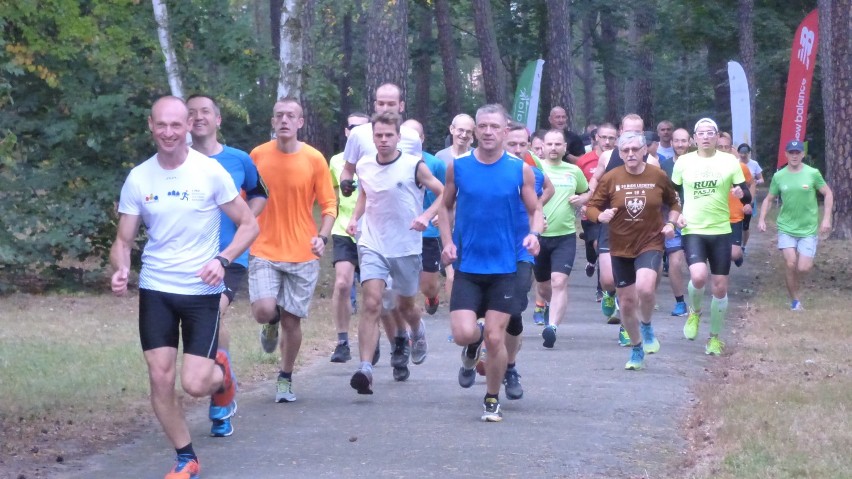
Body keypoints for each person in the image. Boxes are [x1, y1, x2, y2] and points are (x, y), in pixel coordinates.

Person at [110, 96, 259, 478]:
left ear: (188, 127)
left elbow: (249, 225)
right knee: (160, 375)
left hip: (201, 291)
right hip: (157, 288)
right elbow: (124, 240)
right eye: (162, 125)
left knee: (194, 384)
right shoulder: (139, 177)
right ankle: (185, 456)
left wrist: (222, 260)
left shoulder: (209, 172)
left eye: (176, 125)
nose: (169, 132)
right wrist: (122, 268)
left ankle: (221, 374)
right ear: (151, 125)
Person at [443, 104, 541, 422]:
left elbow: (534, 209)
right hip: (468, 266)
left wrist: (534, 234)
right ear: (475, 131)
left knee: (496, 337)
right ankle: (472, 348)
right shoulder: (458, 167)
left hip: (505, 267)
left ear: (504, 131)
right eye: (481, 126)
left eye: (493, 127)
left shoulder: (519, 169)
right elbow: (443, 207)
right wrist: (446, 242)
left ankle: (491, 398)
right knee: (462, 333)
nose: (487, 132)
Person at [347, 112, 449, 394]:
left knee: (404, 306)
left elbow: (443, 192)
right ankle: (365, 369)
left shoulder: (413, 165)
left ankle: (416, 330)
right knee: (372, 302)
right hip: (372, 242)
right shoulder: (365, 165)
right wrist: (356, 217)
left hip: (405, 245)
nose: (382, 140)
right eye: (378, 135)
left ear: (398, 138)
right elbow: (366, 193)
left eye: (388, 135)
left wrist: (427, 216)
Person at [187, 94, 268, 437]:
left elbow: (259, 192)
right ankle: (222, 375)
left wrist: (246, 224)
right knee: (196, 325)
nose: (199, 118)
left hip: (228, 256)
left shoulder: (238, 160)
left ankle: (222, 393)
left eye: (205, 112)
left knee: (213, 311)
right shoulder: (176, 161)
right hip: (187, 259)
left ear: (218, 120)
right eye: (191, 113)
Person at [250, 97, 337, 402]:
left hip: (303, 251)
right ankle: (269, 323)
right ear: (273, 122)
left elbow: (329, 205)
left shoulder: (314, 159)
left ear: (300, 123)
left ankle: (285, 377)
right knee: (263, 310)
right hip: (263, 246)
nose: (284, 120)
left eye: (291, 116)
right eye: (279, 116)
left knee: (292, 320)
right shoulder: (258, 155)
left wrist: (323, 238)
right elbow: (243, 196)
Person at [586, 131, 681, 369]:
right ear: (620, 153)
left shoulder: (657, 175)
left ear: (644, 151)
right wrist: (601, 215)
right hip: (620, 245)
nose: (630, 154)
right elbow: (591, 208)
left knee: (645, 288)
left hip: (650, 241)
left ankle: (647, 325)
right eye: (625, 151)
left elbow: (674, 203)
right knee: (627, 303)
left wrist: (671, 223)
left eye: (634, 150)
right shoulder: (611, 178)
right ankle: (637, 348)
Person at [672, 118, 751, 356]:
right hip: (693, 228)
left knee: (719, 287)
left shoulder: (729, 161)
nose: (705, 137)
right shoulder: (684, 162)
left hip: (721, 230)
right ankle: (694, 312)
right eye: (701, 133)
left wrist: (741, 193)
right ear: (694, 139)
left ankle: (715, 338)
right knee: (698, 276)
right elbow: (672, 194)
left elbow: (746, 195)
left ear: (717, 137)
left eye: (710, 133)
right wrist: (677, 216)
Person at [589, 114, 660, 327]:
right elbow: (595, 178)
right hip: (612, 225)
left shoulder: (652, 161)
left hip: (640, 229)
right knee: (608, 280)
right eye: (628, 132)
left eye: (637, 132)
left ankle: (626, 327)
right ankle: (609, 293)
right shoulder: (608, 156)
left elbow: (661, 192)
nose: (632, 137)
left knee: (633, 286)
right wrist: (592, 194)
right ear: (620, 131)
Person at [758, 140, 833, 311]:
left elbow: (827, 193)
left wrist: (826, 218)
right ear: (786, 154)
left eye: (797, 152)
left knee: (803, 268)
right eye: (791, 152)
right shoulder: (779, 176)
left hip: (808, 228)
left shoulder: (813, 173)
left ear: (802, 154)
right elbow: (769, 199)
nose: (794, 155)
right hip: (786, 228)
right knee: (791, 263)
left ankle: (796, 286)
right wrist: (762, 218)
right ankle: (795, 300)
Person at [534, 129, 590, 348]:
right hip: (538, 235)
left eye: (558, 144)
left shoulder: (573, 170)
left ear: (565, 147)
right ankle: (549, 306)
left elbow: (587, 192)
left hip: (564, 235)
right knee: (544, 286)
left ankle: (552, 327)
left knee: (559, 281)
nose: (554, 148)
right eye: (550, 144)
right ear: (542, 146)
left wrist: (581, 199)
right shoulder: (534, 169)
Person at [328, 112, 370, 363]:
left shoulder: (376, 159)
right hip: (344, 228)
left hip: (372, 230)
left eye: (362, 128)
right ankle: (342, 341)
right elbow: (331, 195)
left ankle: (371, 335)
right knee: (343, 284)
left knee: (375, 291)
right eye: (352, 127)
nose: (356, 132)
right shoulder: (335, 161)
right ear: (346, 131)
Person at [339, 83, 423, 193]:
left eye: (391, 104)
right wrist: (345, 183)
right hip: (369, 206)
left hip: (402, 207)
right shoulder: (358, 134)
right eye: (381, 103)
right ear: (375, 105)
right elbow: (348, 170)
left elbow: (420, 174)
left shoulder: (412, 137)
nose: (385, 108)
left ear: (401, 106)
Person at [402, 119, 447, 316]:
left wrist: (436, 215)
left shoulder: (435, 164)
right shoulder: (391, 162)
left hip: (428, 232)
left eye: (415, 135)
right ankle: (407, 323)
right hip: (401, 232)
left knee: (427, 285)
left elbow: (447, 194)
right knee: (404, 284)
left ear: (422, 139)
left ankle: (431, 296)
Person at [576, 123, 618, 300]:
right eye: (604, 137)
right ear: (596, 138)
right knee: (595, 244)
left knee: (608, 249)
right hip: (592, 210)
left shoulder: (621, 157)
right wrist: (583, 202)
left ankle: (604, 287)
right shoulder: (584, 160)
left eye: (611, 138)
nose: (607, 141)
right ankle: (602, 284)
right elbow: (578, 185)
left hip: (613, 210)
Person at [659, 128, 691, 317]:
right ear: (671, 143)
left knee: (697, 265)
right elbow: (659, 194)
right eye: (676, 141)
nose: (680, 145)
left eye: (683, 141)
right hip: (672, 219)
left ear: (690, 142)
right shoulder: (663, 166)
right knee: (675, 261)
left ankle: (696, 300)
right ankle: (680, 302)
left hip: (697, 221)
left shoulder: (698, 163)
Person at [737, 143, 764, 251]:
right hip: (736, 198)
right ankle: (734, 245)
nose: (743, 155)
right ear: (738, 153)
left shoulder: (754, 164)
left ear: (749, 153)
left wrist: (754, 182)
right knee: (735, 222)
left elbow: (762, 179)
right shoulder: (734, 163)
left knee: (745, 225)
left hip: (749, 197)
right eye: (741, 153)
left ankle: (743, 246)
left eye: (745, 153)